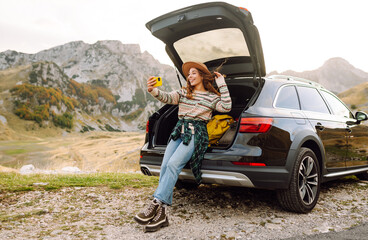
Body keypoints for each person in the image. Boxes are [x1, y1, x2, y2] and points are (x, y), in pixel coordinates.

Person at [134, 61, 232, 232]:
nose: (190, 76)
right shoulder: (184, 92)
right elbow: (167, 97)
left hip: (196, 133)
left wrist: (222, 85)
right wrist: (153, 90)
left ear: (202, 75)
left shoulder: (211, 97)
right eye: (188, 74)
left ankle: (156, 203)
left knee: (173, 165)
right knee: (165, 166)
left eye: (194, 73)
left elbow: (227, 106)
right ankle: (162, 214)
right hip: (179, 131)